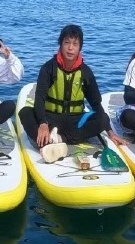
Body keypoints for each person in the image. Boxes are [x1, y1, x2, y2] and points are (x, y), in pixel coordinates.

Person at [18, 24, 125, 152]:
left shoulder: (86, 73)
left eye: (75, 44)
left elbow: (96, 104)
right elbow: (39, 99)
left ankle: (58, 139)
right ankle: (49, 138)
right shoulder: (48, 68)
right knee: (25, 112)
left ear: (80, 47)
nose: (70, 48)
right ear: (60, 44)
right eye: (66, 42)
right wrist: (42, 123)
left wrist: (110, 132)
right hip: (50, 117)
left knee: (103, 118)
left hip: (75, 120)